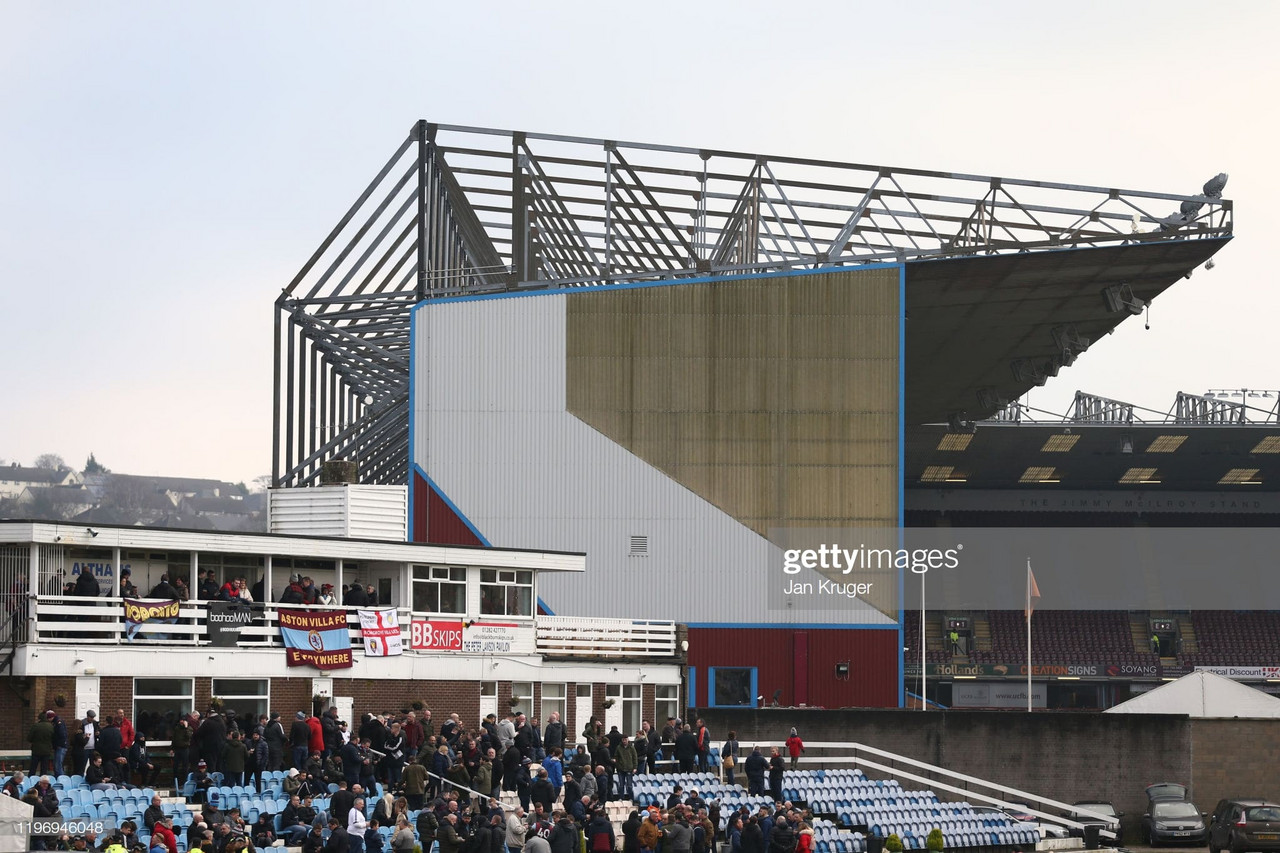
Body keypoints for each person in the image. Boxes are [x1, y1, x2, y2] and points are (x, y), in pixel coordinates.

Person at [28, 710, 55, 776]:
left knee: (33, 768)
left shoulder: (35, 726)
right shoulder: (51, 727)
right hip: (47, 751)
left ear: (40, 718)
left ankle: (30, 781)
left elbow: (29, 738)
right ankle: (42, 783)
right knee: (44, 769)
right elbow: (53, 738)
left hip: (36, 750)